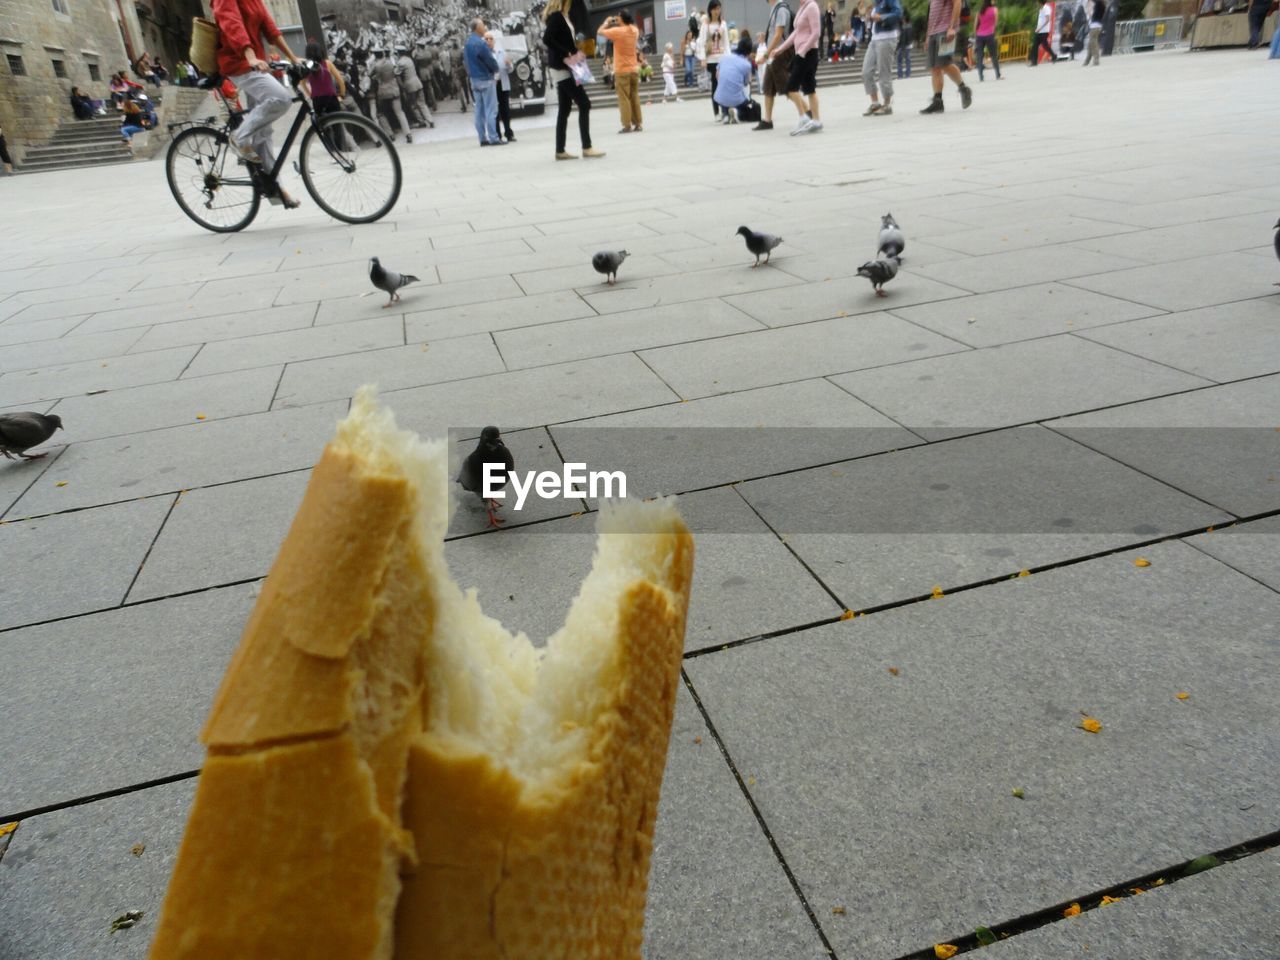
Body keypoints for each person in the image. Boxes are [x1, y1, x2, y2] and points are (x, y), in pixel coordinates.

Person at [211, 0, 302, 208]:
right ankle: (238, 137)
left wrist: (293, 57)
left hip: (255, 64)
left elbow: (270, 28)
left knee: (263, 134)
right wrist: (250, 57)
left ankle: (275, 190)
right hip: (238, 63)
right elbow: (232, 24)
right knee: (281, 98)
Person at [542, 0, 605, 160]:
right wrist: (567, 53)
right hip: (563, 67)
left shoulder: (563, 16)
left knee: (564, 109)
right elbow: (547, 39)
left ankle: (560, 150)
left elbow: (561, 39)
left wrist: (575, 51)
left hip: (565, 66)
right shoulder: (556, 16)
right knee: (584, 103)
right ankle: (587, 147)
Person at [772, 0, 823, 134]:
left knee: (790, 88)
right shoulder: (802, 7)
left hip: (807, 53)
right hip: (803, 53)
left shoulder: (812, 6)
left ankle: (804, 118)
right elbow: (795, 34)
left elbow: (816, 33)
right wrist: (780, 49)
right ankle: (816, 121)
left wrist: (802, 51)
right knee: (810, 88)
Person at [920, 0, 973, 113]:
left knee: (944, 64)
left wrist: (952, 27)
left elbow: (957, 3)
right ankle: (938, 101)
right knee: (935, 67)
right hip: (933, 33)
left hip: (945, 31)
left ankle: (963, 88)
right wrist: (928, 35)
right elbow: (932, 15)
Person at [601, 10, 643, 133]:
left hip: (621, 69)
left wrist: (607, 22)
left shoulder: (618, 31)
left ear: (622, 19)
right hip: (634, 68)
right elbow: (631, 27)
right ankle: (638, 123)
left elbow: (600, 32)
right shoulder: (634, 30)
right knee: (634, 96)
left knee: (623, 98)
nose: (616, 19)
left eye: (618, 18)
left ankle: (627, 125)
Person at [755, 0, 794, 131]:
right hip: (773, 54)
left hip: (779, 53)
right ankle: (767, 120)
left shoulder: (781, 10)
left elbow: (778, 35)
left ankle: (806, 112)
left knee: (787, 86)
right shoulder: (775, 8)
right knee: (768, 87)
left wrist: (766, 55)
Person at [464, 18, 501, 146]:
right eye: (482, 25)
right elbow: (489, 60)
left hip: (474, 79)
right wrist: (495, 69)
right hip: (485, 78)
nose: (484, 27)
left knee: (479, 111)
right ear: (477, 28)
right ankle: (493, 137)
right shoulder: (481, 44)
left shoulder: (468, 43)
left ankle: (482, 138)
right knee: (491, 109)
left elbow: (466, 62)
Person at [861, 0, 900, 115]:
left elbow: (897, 13)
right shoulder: (877, 2)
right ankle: (875, 103)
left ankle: (887, 104)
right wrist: (870, 17)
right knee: (866, 72)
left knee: (884, 72)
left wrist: (882, 17)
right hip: (874, 39)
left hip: (886, 38)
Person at [374, 49, 413, 144]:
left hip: (383, 91)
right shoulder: (391, 62)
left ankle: (390, 134)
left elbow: (375, 77)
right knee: (399, 112)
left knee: (381, 113)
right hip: (394, 88)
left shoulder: (376, 65)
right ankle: (408, 134)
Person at [486, 31, 516, 142]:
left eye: (491, 39)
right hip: (492, 85)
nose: (489, 41)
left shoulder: (500, 51)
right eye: (486, 39)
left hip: (503, 83)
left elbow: (510, 69)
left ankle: (509, 133)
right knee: (495, 111)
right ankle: (497, 134)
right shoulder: (485, 54)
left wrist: (509, 64)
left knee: (505, 110)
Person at [703, 0, 730, 119]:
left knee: (723, 84)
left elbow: (726, 42)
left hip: (722, 58)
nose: (717, 11)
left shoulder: (723, 24)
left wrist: (729, 57)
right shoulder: (706, 24)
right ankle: (716, 112)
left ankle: (725, 111)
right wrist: (703, 58)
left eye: (719, 9)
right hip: (711, 59)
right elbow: (702, 41)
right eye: (715, 9)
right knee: (715, 85)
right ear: (710, 10)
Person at [398, 46, 434, 128]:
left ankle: (421, 121)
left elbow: (397, 75)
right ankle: (430, 120)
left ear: (398, 53)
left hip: (410, 86)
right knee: (422, 103)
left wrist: (402, 86)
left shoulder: (400, 62)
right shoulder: (409, 59)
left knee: (413, 105)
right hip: (417, 82)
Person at [974, 0, 1000, 79]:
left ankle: (981, 76)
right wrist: (992, 29)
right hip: (990, 35)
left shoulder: (979, 11)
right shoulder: (995, 10)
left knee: (980, 56)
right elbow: (996, 22)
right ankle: (997, 74)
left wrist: (976, 34)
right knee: (993, 55)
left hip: (979, 35)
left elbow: (975, 25)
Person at [1082, 0, 1104, 65]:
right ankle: (1087, 60)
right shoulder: (1100, 5)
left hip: (1095, 26)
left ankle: (1096, 60)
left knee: (1093, 43)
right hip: (1095, 26)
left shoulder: (1099, 4)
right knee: (1090, 44)